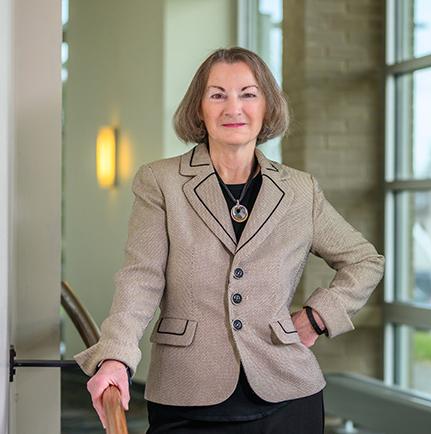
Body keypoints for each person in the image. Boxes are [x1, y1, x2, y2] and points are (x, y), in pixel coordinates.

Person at [74, 47, 385, 434]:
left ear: (267, 107)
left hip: (288, 394)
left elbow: (364, 261)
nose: (232, 108)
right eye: (217, 94)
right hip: (186, 395)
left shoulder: (300, 190)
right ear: (199, 109)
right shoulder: (162, 182)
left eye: (248, 94)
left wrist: (318, 316)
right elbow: (141, 279)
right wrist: (116, 357)